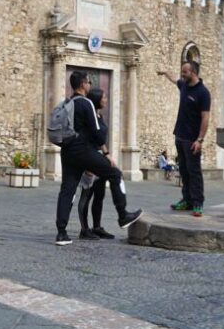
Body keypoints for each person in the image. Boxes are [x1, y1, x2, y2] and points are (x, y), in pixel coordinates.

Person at [54, 71, 143, 245]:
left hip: (67, 152)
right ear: (83, 84)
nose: (89, 85)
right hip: (84, 151)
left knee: (67, 191)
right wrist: (105, 151)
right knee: (115, 174)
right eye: (88, 82)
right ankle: (123, 215)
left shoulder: (67, 103)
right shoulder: (86, 103)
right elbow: (98, 133)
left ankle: (62, 233)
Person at [157, 61, 211, 217]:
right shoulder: (184, 85)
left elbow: (205, 118)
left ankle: (198, 203)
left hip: (192, 140)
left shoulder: (203, 93)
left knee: (194, 172)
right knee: (184, 171)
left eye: (185, 72)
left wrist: (199, 140)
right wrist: (165, 72)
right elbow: (175, 79)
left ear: (193, 72)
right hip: (179, 136)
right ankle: (187, 200)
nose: (182, 74)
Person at [75, 88, 116, 241]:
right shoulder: (88, 118)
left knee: (99, 195)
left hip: (99, 160)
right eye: (104, 97)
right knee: (86, 195)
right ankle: (84, 229)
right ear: (97, 99)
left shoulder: (100, 116)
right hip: (89, 159)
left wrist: (107, 156)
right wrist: (87, 166)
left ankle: (97, 227)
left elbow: (100, 140)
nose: (106, 99)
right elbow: (86, 141)